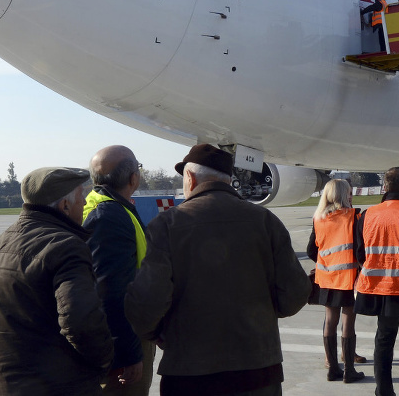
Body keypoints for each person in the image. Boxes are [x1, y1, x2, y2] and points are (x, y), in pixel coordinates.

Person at [124, 144, 310, 396]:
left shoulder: (167, 224)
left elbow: (148, 299)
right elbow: (296, 292)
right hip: (258, 370)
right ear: (228, 180)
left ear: (189, 178)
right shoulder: (265, 221)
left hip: (190, 373)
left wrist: (157, 333)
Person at [0, 167, 114, 395]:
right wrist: (104, 362)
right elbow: (80, 323)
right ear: (65, 206)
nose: (85, 204)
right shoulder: (67, 246)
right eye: (82, 197)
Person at [84, 145, 154, 396]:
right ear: (133, 178)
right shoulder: (109, 216)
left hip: (119, 333)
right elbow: (111, 292)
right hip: (123, 339)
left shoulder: (107, 206)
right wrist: (128, 353)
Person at [355, 166, 399, 396]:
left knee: (384, 341)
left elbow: (360, 254)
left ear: (384, 187)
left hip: (380, 289)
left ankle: (383, 391)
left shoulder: (367, 214)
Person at [306, 178, 365, 383]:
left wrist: (326, 262)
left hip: (326, 276)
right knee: (348, 322)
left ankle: (332, 369)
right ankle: (349, 370)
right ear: (343, 194)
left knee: (330, 322)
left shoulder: (318, 218)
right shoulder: (354, 216)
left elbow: (311, 250)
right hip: (349, 277)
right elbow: (360, 248)